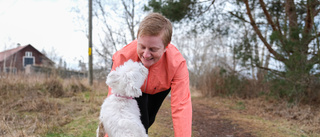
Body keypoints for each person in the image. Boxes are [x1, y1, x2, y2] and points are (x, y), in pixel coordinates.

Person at [106, 12, 192, 137]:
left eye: (153, 49)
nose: (146, 55)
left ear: (165, 47)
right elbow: (114, 103)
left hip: (159, 89)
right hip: (132, 88)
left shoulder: (177, 64)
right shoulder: (123, 57)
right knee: (139, 124)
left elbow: (181, 106)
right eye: (142, 46)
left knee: (148, 120)